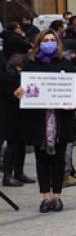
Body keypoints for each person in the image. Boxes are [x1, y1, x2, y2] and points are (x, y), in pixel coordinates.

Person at [14, 30, 76, 212]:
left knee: (59, 159)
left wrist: (72, 102)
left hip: (61, 118)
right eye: (45, 40)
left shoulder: (65, 63)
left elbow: (74, 89)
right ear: (38, 43)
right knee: (41, 159)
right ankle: (45, 196)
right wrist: (20, 93)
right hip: (38, 118)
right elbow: (22, 87)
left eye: (52, 40)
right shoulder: (29, 63)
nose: (48, 43)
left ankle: (57, 196)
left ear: (57, 43)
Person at [1, 55, 34, 187]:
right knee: (13, 145)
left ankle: (19, 172)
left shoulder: (21, 79)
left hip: (21, 116)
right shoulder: (8, 79)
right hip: (10, 117)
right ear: (18, 67)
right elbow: (7, 96)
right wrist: (14, 94)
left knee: (21, 145)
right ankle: (7, 175)